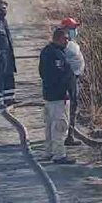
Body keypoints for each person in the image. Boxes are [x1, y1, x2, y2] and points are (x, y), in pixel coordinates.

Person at [39, 27, 76, 165]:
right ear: (58, 38)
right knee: (60, 126)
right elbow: (62, 76)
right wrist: (67, 90)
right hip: (59, 97)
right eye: (66, 38)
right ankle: (59, 155)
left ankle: (48, 152)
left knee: (49, 126)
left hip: (49, 96)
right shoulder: (56, 54)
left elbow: (42, 73)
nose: (68, 41)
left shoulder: (46, 51)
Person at [60, 17, 85, 147]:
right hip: (69, 80)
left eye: (75, 28)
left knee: (73, 108)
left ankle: (69, 135)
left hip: (75, 78)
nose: (75, 31)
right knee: (67, 108)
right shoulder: (62, 44)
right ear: (64, 29)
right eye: (72, 28)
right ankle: (64, 137)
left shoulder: (71, 43)